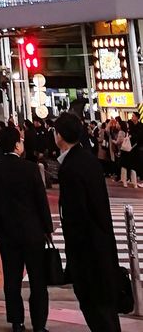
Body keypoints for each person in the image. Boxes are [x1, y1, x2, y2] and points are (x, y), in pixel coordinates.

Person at [55, 111, 121, 332]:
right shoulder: (88, 160)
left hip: (87, 252)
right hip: (101, 244)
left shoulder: (70, 168)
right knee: (105, 310)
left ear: (59, 136)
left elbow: (76, 216)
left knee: (96, 309)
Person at [0, 124, 53, 332]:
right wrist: (47, 228)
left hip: (7, 232)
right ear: (16, 144)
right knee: (37, 280)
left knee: (12, 280)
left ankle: (17, 322)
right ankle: (39, 325)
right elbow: (41, 201)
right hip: (32, 232)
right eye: (21, 140)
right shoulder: (30, 168)